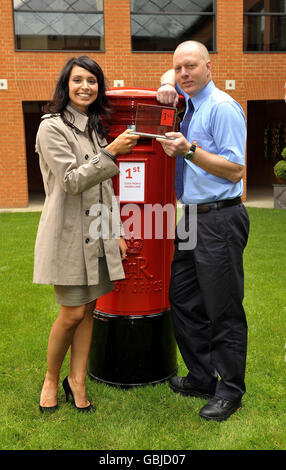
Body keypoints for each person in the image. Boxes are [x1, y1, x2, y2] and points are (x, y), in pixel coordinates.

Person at [35, 56, 139, 413]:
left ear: (99, 88)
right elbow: (71, 182)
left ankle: (76, 381)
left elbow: (104, 190)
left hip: (97, 233)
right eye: (78, 80)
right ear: (66, 85)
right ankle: (51, 377)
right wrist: (110, 152)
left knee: (89, 310)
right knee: (71, 313)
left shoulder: (93, 128)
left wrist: (118, 232)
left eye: (92, 81)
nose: (85, 87)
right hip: (67, 233)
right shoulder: (51, 127)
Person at [156, 41, 250, 422]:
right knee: (182, 297)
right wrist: (166, 80)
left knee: (222, 307)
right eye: (178, 69)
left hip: (220, 218)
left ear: (209, 67)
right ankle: (201, 376)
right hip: (192, 217)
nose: (183, 74)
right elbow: (172, 79)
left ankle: (230, 390)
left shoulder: (222, 108)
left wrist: (189, 150)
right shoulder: (189, 102)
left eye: (191, 67)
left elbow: (235, 171)